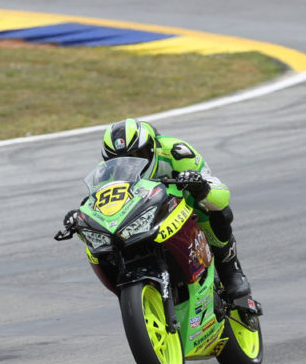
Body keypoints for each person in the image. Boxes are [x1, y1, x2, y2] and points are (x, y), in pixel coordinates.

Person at [82, 118, 251, 299]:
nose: (131, 163)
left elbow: (221, 194)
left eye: (138, 155)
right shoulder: (106, 172)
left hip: (183, 205)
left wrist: (200, 186)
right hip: (140, 214)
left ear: (153, 148)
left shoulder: (178, 153)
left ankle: (230, 270)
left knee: (213, 209)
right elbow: (101, 203)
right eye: (120, 160)